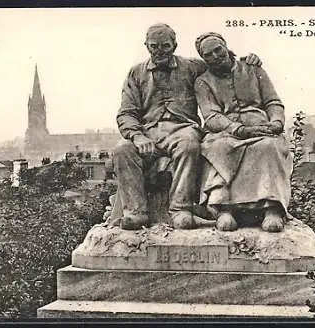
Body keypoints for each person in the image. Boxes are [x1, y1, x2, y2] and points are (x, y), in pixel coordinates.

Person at [111, 24, 262, 230]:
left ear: (174, 45)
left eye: (165, 46)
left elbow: (220, 63)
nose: (159, 51)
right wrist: (137, 136)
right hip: (148, 131)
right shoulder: (136, 73)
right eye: (154, 46)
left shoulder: (192, 67)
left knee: (189, 146)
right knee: (122, 149)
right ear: (146, 45)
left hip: (183, 128)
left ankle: (180, 208)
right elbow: (127, 112)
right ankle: (135, 212)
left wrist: (246, 60)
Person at [194, 32, 292, 233]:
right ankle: (224, 209)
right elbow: (211, 116)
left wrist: (276, 121)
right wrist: (236, 129)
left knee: (269, 146)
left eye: (218, 50)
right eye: (208, 55)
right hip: (225, 131)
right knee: (219, 149)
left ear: (225, 46)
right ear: (203, 59)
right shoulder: (203, 82)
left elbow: (273, 101)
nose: (215, 56)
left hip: (261, 128)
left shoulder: (253, 69)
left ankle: (272, 209)